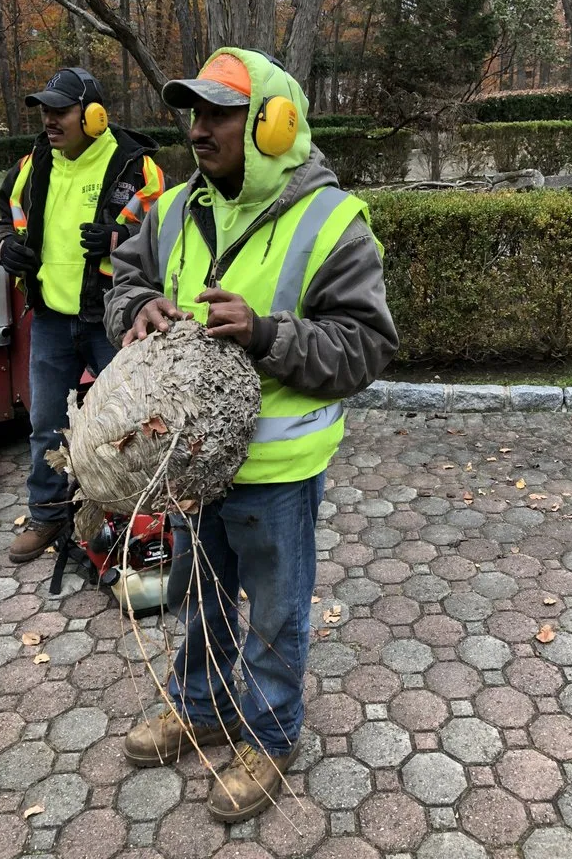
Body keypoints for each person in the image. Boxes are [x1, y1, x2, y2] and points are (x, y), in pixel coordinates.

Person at [104, 48, 397, 823]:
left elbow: (366, 346)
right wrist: (133, 310)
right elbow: (126, 282)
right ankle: (201, 708)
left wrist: (268, 334)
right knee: (196, 595)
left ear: (274, 123)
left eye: (218, 114)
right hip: (191, 468)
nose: (198, 129)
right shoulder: (171, 212)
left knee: (273, 607)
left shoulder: (333, 222)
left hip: (278, 469)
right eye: (192, 114)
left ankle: (269, 733)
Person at [0, 67, 164, 563]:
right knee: (46, 425)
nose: (49, 120)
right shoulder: (32, 165)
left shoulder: (136, 167)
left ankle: (138, 522)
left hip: (112, 320)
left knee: (129, 426)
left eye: (59, 111)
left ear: (93, 115)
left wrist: (117, 239)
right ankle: (47, 515)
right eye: (44, 110)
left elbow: (166, 240)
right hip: (49, 319)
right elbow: (7, 220)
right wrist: (4, 246)